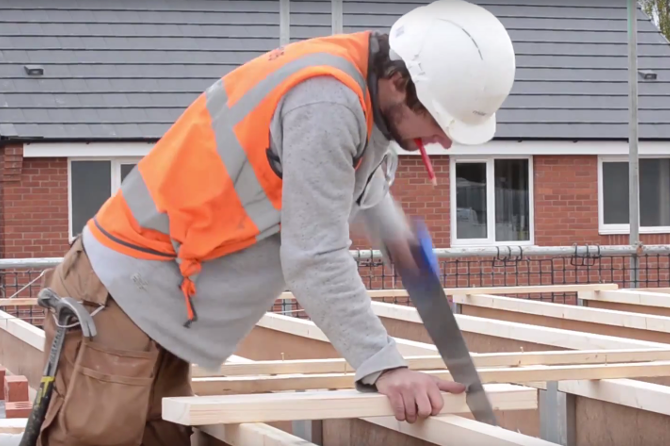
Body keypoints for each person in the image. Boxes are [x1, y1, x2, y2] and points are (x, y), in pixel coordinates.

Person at [34, 0, 515, 444]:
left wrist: (394, 234)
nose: (445, 141)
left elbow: (349, 174)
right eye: (437, 120)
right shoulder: (327, 103)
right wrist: (385, 366)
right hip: (122, 294)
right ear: (398, 83)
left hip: (161, 298)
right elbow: (314, 256)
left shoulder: (365, 84)